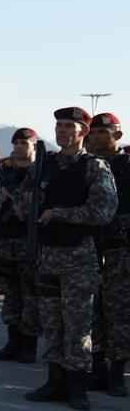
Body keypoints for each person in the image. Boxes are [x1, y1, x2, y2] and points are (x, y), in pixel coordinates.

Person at [23, 107, 117, 411]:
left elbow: (103, 211)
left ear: (83, 132)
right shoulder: (45, 165)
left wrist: (59, 214)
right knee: (51, 321)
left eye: (69, 126)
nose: (62, 131)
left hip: (78, 256)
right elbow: (24, 200)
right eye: (59, 126)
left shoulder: (94, 167)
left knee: (77, 324)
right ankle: (54, 380)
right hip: (47, 253)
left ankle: (78, 385)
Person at [86, 112, 130, 396]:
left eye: (104, 132)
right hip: (89, 247)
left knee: (119, 312)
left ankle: (117, 371)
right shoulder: (87, 165)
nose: (98, 137)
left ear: (118, 135)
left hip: (121, 251)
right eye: (95, 132)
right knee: (93, 312)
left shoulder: (127, 165)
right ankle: (97, 367)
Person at [0, 128, 40, 363]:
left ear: (34, 146)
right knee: (11, 294)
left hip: (28, 241)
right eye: (16, 142)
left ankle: (29, 344)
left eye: (25, 142)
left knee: (30, 294)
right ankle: (13, 341)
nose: (20, 146)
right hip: (5, 238)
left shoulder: (39, 173)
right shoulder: (4, 171)